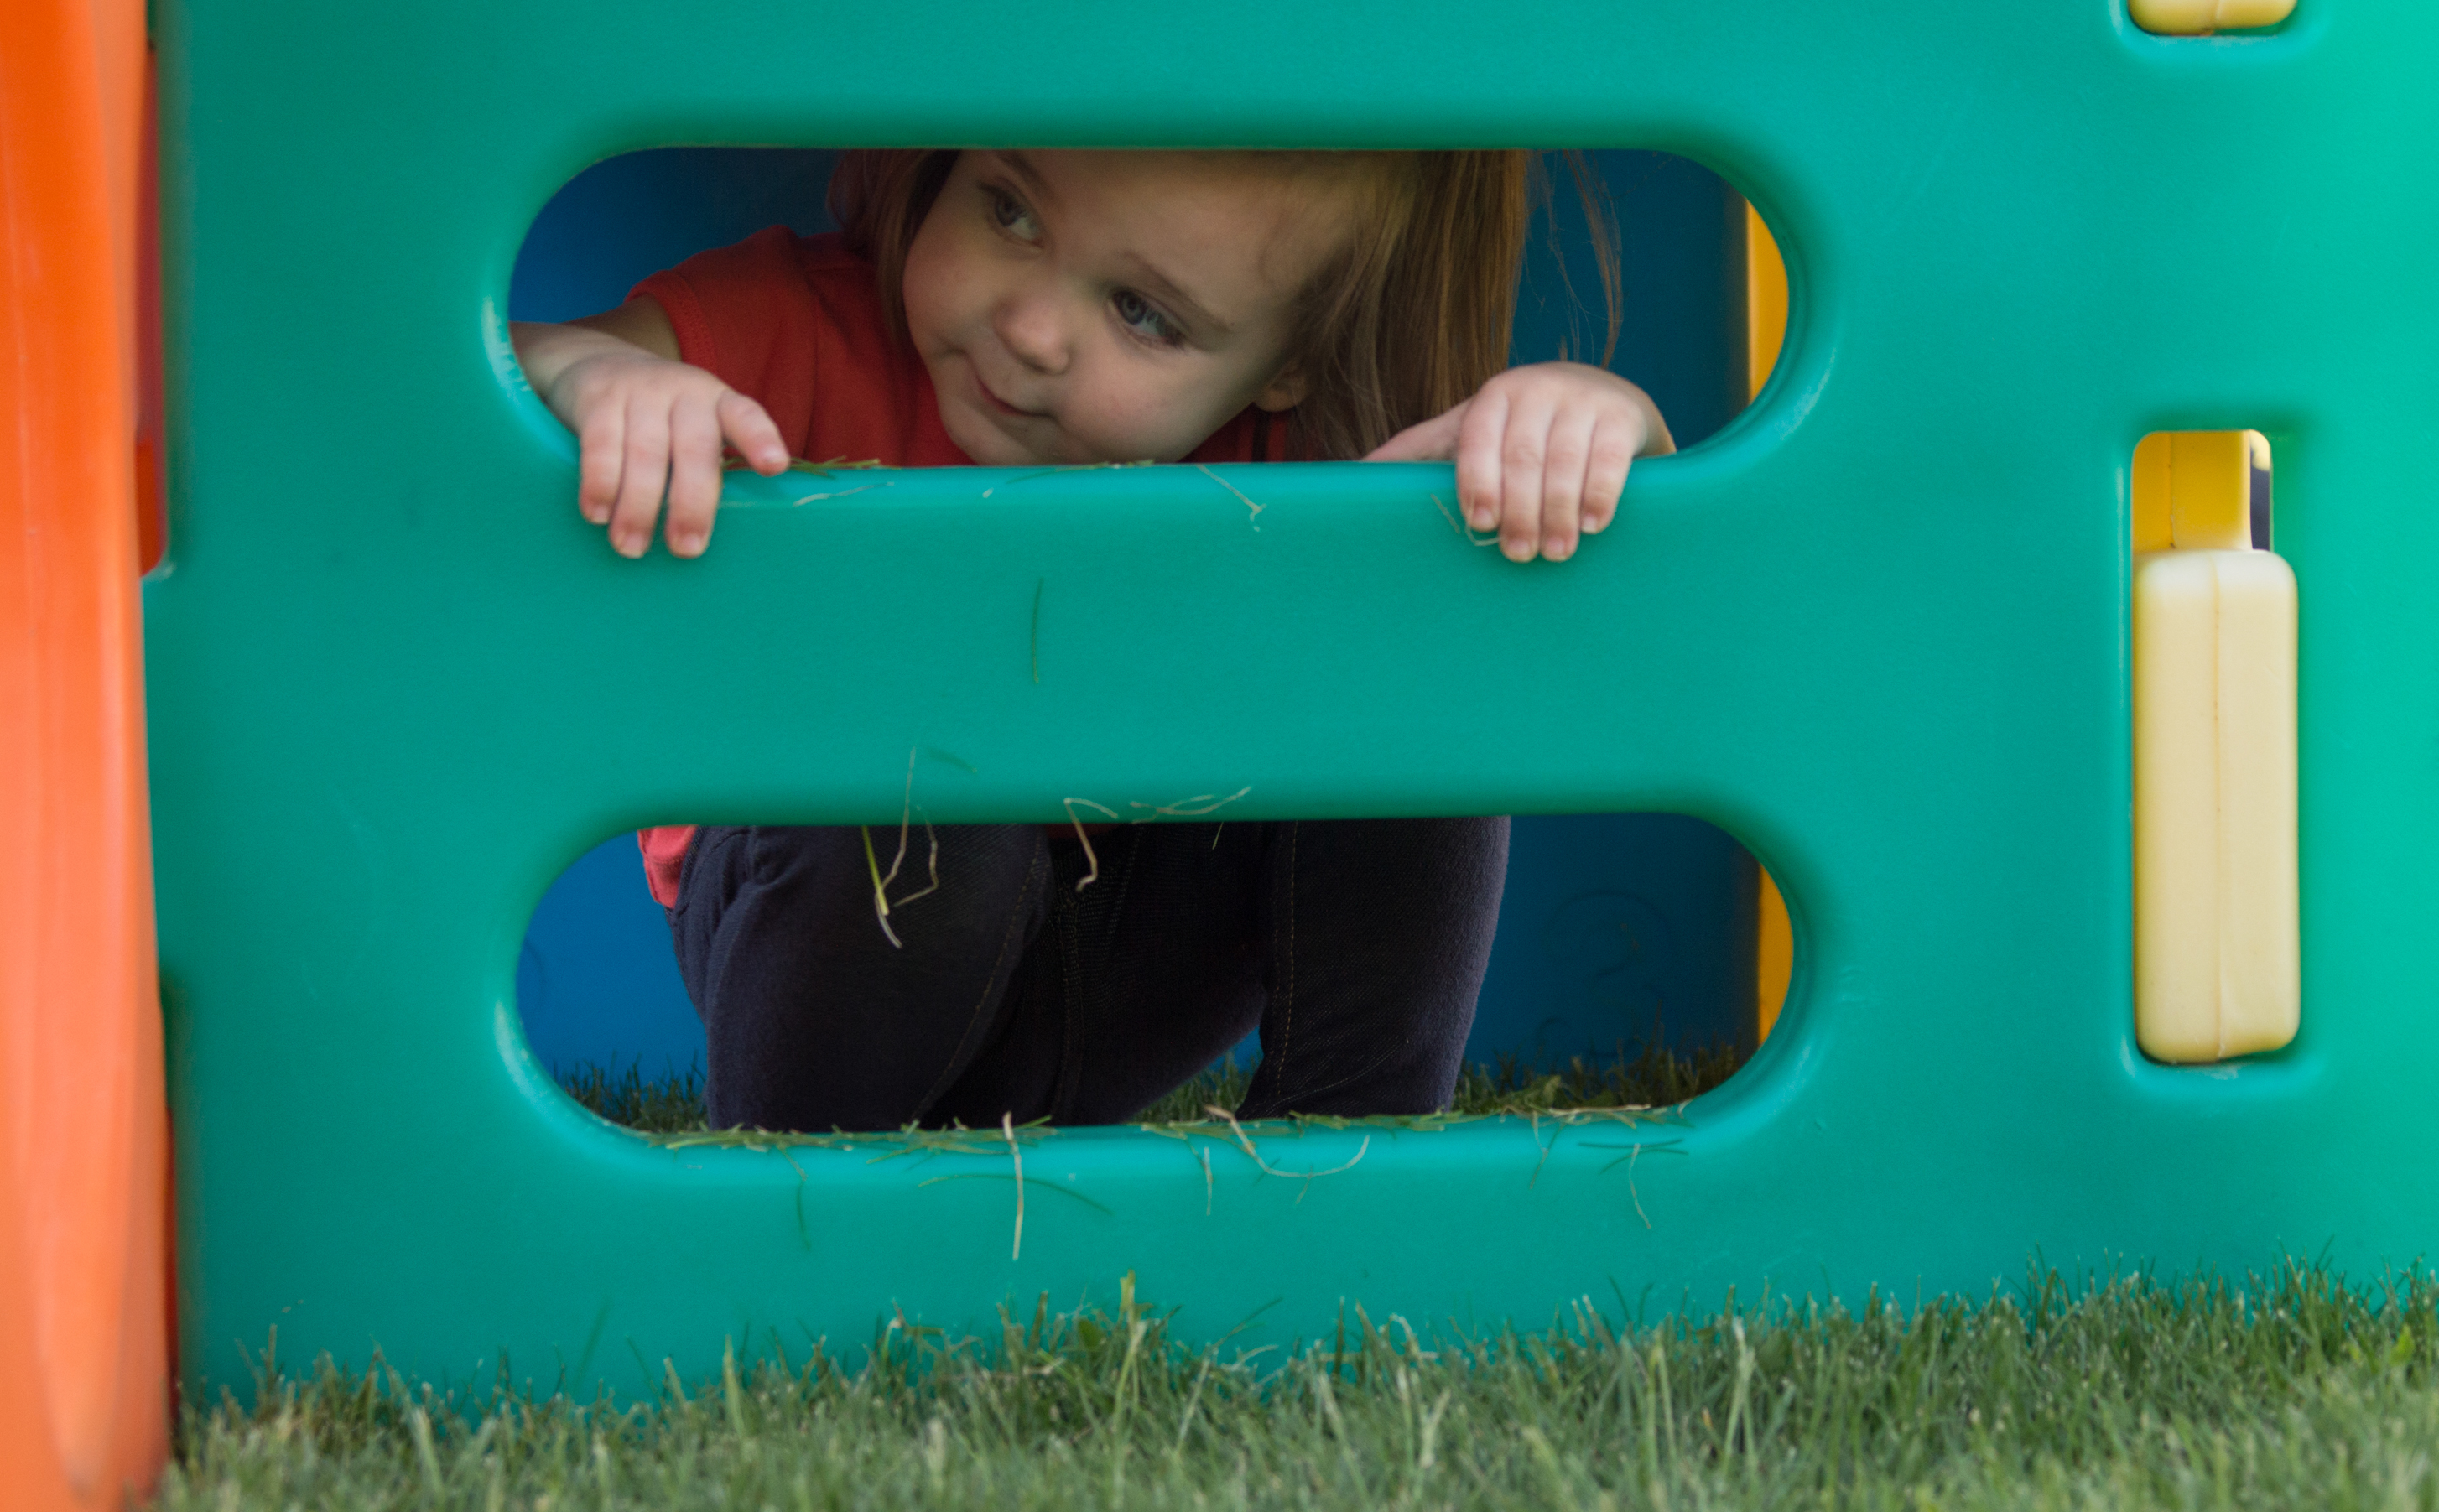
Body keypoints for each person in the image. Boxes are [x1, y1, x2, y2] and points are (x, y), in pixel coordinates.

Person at [512, 148, 1672, 1132]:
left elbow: (1599, 589)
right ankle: (801, 1207)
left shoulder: (1291, 462)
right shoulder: (794, 327)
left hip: (1133, 943)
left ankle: (1345, 1173)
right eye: (1009, 210)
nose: (1029, 331)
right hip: (830, 944)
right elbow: (499, 372)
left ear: (1286, 363)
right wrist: (600, 375)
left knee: (1402, 667)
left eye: (1141, 314)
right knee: (944, 771)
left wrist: (1581, 421)